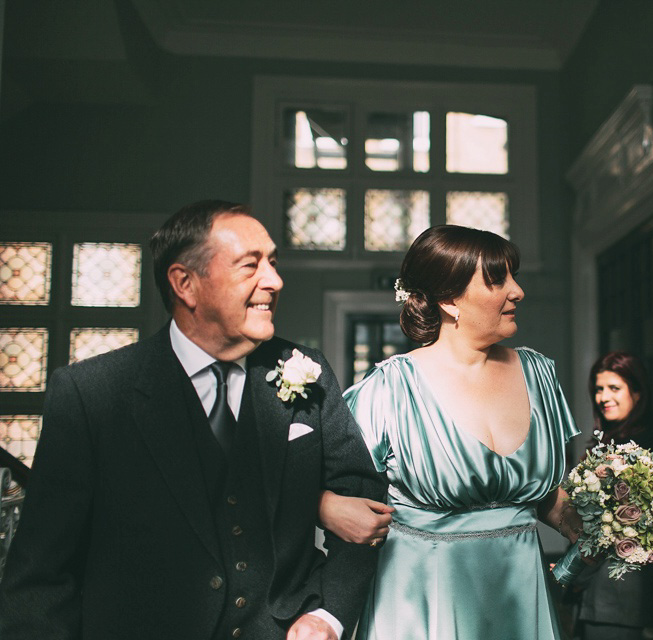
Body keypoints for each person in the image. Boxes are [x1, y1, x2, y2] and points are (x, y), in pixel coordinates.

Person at [0, 201, 386, 640]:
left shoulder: (307, 370)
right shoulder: (91, 393)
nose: (274, 281)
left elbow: (365, 508)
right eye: (250, 265)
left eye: (273, 263)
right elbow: (42, 574)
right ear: (185, 283)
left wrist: (328, 615)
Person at [318, 225, 583, 640]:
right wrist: (323, 504)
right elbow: (323, 489)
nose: (518, 291)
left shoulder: (539, 376)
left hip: (519, 594)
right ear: (449, 300)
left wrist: (599, 518)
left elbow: (540, 497)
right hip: (423, 598)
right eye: (498, 279)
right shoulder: (389, 390)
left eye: (515, 276)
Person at [574, 351, 653, 640]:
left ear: (637, 393)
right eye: (599, 389)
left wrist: (575, 565)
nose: (603, 397)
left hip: (619, 586)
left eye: (614, 388)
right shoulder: (615, 437)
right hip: (607, 583)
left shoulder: (643, 443)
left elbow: (620, 520)